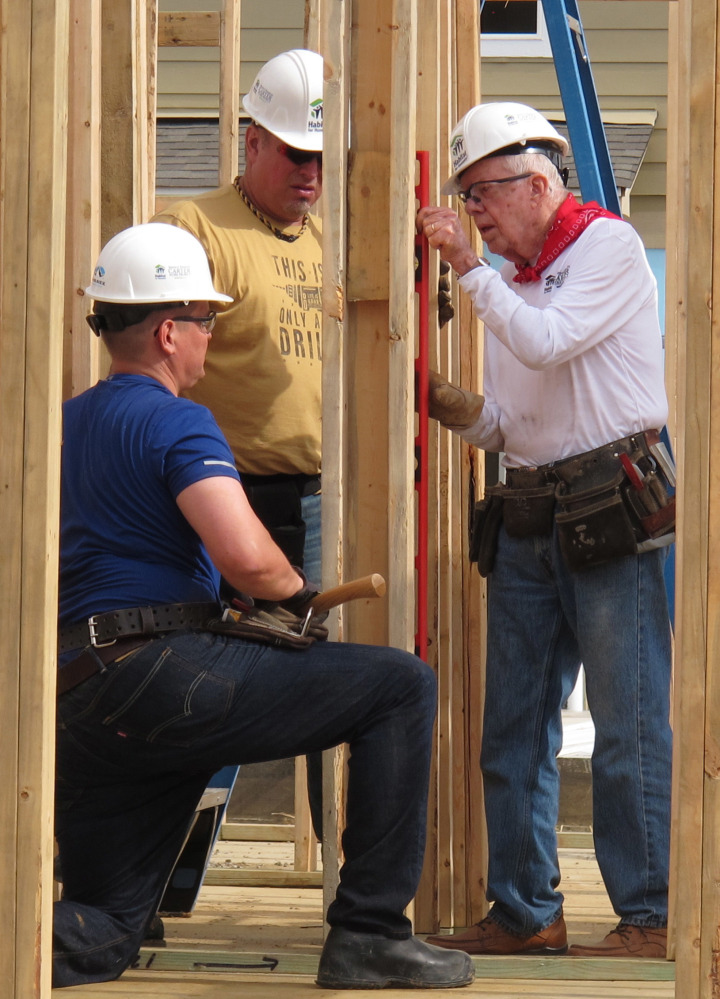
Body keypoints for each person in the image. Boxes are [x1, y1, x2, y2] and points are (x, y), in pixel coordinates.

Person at [52, 222, 474, 992]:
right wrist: (295, 594)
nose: (212, 339)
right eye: (207, 323)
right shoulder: (178, 420)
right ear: (169, 330)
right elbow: (245, 556)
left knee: (101, 928)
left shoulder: (63, 423)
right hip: (161, 673)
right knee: (398, 685)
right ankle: (371, 935)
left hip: (82, 700)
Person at [416, 102, 674, 960]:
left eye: (483, 192)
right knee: (515, 725)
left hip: (609, 510)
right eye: (465, 197)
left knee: (627, 723)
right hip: (531, 512)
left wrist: (467, 268)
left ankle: (652, 912)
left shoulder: (605, 247)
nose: (474, 212)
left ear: (537, 183)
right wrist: (462, 411)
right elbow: (517, 421)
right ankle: (527, 910)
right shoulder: (515, 281)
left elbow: (553, 344)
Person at [153, 48, 324, 582]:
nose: (311, 172)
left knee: (320, 656)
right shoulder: (193, 230)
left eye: (322, 157)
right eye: (297, 153)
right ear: (254, 141)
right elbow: (152, 366)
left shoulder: (333, 243)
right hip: (223, 494)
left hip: (321, 500)